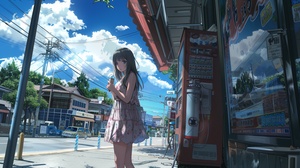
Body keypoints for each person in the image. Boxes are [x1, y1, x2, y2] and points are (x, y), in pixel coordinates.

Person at [105, 47, 149, 168]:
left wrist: (114, 89)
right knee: (125, 162)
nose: (119, 64)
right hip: (122, 119)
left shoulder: (131, 75)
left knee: (119, 162)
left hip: (123, 121)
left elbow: (127, 98)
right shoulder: (124, 78)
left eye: (123, 61)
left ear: (129, 61)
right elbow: (117, 98)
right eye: (117, 62)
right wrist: (112, 89)